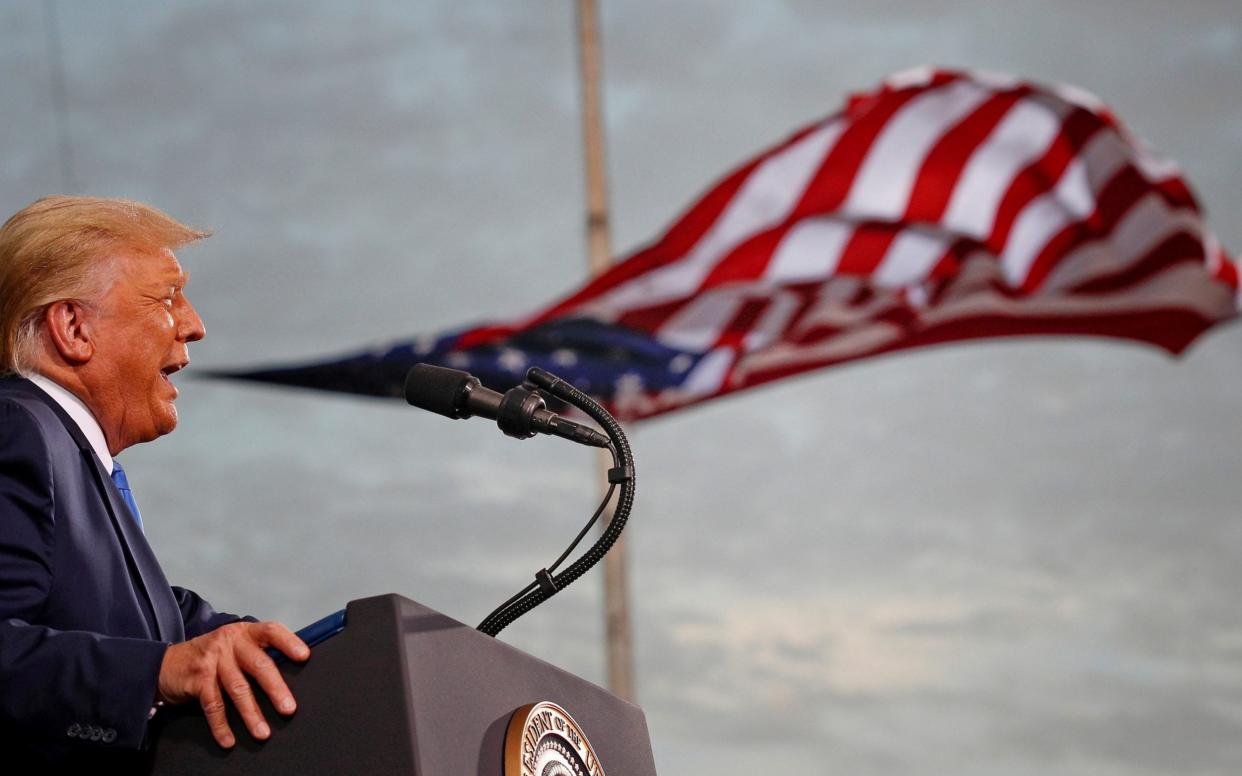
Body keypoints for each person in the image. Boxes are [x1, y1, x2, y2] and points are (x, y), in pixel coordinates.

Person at [0, 196, 309, 768]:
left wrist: (301, 653)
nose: (194, 325)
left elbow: (164, 623)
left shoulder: (77, 463)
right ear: (73, 327)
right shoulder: (18, 427)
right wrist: (162, 673)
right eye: (167, 298)